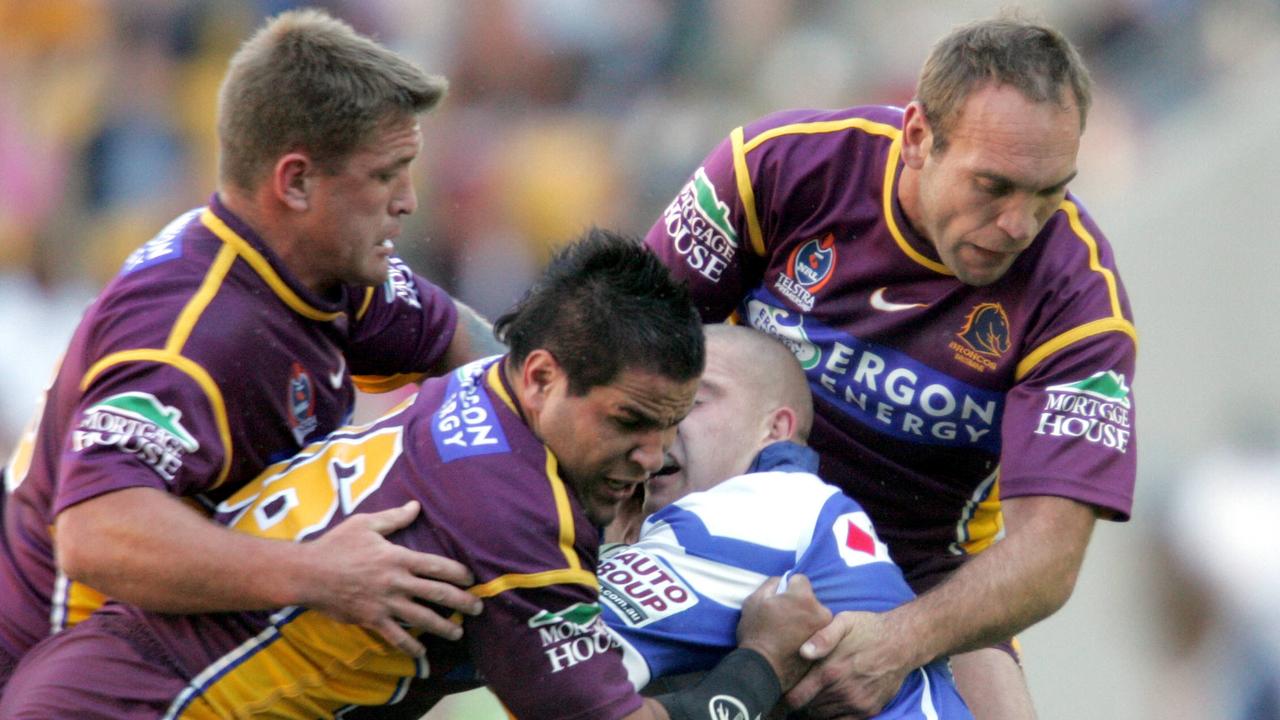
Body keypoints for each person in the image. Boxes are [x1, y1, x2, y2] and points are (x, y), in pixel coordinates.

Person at [0, 230, 831, 720]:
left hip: (96, 678)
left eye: (669, 425)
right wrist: (760, 664)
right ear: (541, 377)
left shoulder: (481, 384)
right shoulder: (514, 520)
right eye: (627, 423)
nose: (652, 458)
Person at [644, 15, 1137, 719]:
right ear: (917, 138)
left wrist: (898, 642)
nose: (1019, 226)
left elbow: (1049, 555)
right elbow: (622, 349)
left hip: (918, 582)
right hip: (716, 519)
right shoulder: (781, 165)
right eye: (994, 187)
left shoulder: (1078, 295)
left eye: (1049, 192)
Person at [0, 8, 502, 689]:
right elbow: (97, 533)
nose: (408, 201)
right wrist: (322, 573)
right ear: (295, 182)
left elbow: (465, 345)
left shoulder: (321, 265)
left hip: (174, 668)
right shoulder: (192, 332)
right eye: (386, 174)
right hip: (62, 680)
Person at [599, 325, 973, 719]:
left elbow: (545, 645)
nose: (661, 423)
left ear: (774, 430)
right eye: (652, 404)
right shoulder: (810, 515)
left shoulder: (767, 506)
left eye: (691, 401)